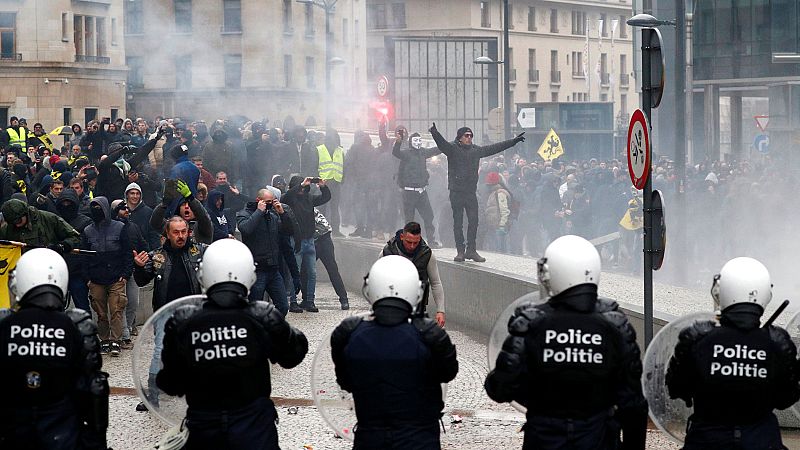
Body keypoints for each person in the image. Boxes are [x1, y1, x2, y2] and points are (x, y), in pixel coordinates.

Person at [485, 235, 647, 450]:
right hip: (599, 439)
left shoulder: (531, 325)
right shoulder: (615, 328)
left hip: (544, 439)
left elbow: (499, 388)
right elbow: (633, 405)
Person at [156, 239, 308, 450]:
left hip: (203, 429)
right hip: (255, 430)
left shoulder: (184, 321)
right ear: (250, 276)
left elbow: (169, 383)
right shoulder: (262, 316)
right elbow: (293, 355)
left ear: (203, 275)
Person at [666, 257, 800, 450]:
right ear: (766, 295)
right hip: (762, 441)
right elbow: (786, 398)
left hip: (705, 440)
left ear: (720, 292)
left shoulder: (696, 338)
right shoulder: (777, 343)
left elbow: (676, 388)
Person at [331, 255, 458, 449]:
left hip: (370, 437)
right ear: (416, 291)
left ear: (369, 289)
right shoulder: (430, 335)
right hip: (419, 438)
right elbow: (448, 372)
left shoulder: (348, 334)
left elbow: (346, 381)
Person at [0, 249, 109, 450]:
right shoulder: (76, 326)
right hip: (62, 432)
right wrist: (96, 442)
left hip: (12, 430)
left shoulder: (5, 324)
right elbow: (94, 388)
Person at [133, 216, 206, 412]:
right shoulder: (157, 256)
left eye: (184, 231)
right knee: (160, 352)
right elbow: (141, 280)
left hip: (193, 311)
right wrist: (138, 267)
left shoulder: (198, 251)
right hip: (165, 311)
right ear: (167, 234)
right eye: (176, 232)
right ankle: (153, 396)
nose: (181, 236)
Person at [429, 122, 524, 262]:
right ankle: (460, 251)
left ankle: (471, 250)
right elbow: (442, 144)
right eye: (466, 135)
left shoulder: (476, 150)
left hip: (470, 192)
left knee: (474, 221)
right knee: (458, 222)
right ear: (460, 137)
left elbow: (495, 148)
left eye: (471, 136)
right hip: (456, 192)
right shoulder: (452, 149)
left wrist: (513, 141)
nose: (469, 138)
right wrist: (435, 133)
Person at [81, 197, 133, 357]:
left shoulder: (120, 227)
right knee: (101, 312)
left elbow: (127, 252)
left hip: (116, 277)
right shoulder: (87, 231)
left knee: (116, 309)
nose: (97, 210)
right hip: (95, 279)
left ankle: (115, 340)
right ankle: (104, 340)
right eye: (93, 207)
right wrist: (87, 279)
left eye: (99, 207)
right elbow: (83, 256)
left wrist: (125, 274)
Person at [236, 188, 295, 316]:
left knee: (283, 306)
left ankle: (272, 328)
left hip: (274, 269)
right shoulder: (245, 213)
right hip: (257, 270)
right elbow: (246, 229)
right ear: (259, 201)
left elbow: (289, 231)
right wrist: (259, 211)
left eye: (272, 202)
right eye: (267, 202)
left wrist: (282, 214)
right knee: (255, 309)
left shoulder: (272, 216)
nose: (270, 205)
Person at [381, 221, 446, 327]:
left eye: (415, 243)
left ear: (419, 238)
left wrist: (440, 311)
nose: (412, 246)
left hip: (417, 307)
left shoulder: (427, 254)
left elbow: (435, 283)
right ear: (402, 237)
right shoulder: (387, 252)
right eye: (409, 242)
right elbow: (377, 280)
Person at [282, 176, 331, 313]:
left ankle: (309, 301)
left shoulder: (309, 198)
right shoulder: (291, 199)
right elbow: (284, 198)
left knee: (312, 273)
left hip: (310, 240)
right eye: (300, 186)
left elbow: (325, 198)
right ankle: (293, 301)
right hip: (296, 240)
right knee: (295, 272)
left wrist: (323, 187)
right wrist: (300, 185)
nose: (303, 189)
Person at [393, 130, 442, 247]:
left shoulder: (423, 152)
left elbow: (437, 150)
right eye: (416, 140)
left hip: (421, 191)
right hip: (409, 192)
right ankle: (409, 242)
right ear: (411, 142)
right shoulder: (406, 153)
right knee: (409, 219)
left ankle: (431, 240)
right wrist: (398, 142)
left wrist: (444, 143)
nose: (418, 143)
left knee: (428, 216)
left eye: (420, 140)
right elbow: (396, 152)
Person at [0, 198, 81, 253]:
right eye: (12, 223)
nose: (16, 225)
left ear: (25, 213)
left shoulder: (49, 219)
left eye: (18, 220)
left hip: (48, 266)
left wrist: (62, 246)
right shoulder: (7, 228)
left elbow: (75, 237)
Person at [313, 208, 349, 310]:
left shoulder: (307, 203)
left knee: (332, 270)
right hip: (313, 239)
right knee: (306, 271)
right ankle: (307, 300)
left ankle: (344, 299)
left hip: (323, 239)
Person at [316, 128, 345, 237]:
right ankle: (321, 229)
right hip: (323, 183)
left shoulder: (340, 150)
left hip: (336, 182)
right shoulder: (319, 149)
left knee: (334, 207)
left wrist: (342, 180)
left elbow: (343, 166)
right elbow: (315, 166)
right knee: (322, 207)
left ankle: (336, 230)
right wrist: (316, 181)